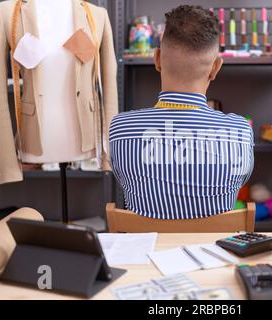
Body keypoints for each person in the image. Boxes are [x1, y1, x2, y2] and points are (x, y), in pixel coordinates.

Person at [109, 5, 254, 219]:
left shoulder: (121, 128)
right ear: (215, 68)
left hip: (147, 251)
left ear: (157, 59)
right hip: (212, 252)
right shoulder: (240, 131)